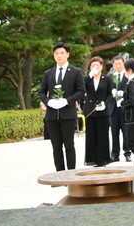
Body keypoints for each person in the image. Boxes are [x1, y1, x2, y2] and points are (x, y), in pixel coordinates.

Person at [38, 42, 85, 171]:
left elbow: (81, 91)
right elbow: (41, 92)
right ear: (54, 56)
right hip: (52, 115)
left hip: (68, 113)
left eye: (62, 53)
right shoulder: (49, 73)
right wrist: (48, 101)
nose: (59, 56)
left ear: (67, 54)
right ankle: (59, 173)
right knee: (56, 147)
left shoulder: (75, 72)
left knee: (69, 146)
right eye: (57, 53)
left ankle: (71, 173)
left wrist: (67, 101)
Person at [83, 56, 114, 167]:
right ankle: (92, 159)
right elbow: (81, 87)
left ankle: (103, 159)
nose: (95, 67)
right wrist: (90, 76)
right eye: (93, 65)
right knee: (91, 136)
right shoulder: (87, 78)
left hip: (103, 111)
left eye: (97, 65)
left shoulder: (107, 79)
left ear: (101, 66)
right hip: (90, 110)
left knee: (103, 135)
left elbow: (110, 94)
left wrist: (105, 103)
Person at [109, 55, 131, 162]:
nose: (118, 66)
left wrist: (123, 95)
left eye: (120, 64)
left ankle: (127, 153)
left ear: (124, 64)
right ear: (113, 65)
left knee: (126, 132)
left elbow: (131, 91)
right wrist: (112, 94)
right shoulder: (110, 77)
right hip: (113, 109)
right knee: (114, 132)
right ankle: (115, 154)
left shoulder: (128, 76)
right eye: (116, 64)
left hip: (124, 108)